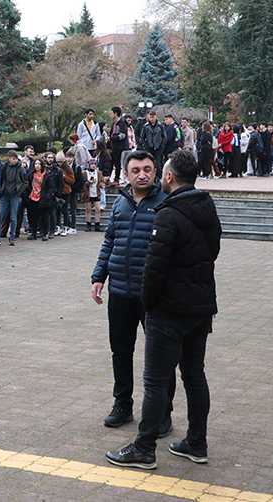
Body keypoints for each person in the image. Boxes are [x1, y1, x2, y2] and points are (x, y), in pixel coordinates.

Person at [106, 149, 221, 470]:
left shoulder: (167, 213)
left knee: (155, 381)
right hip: (201, 306)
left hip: (169, 310)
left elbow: (154, 268)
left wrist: (150, 304)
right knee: (195, 375)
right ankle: (197, 443)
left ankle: (144, 447)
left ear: (167, 176)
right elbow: (212, 252)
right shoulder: (206, 207)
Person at [92, 150, 174, 434]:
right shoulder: (120, 204)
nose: (142, 174)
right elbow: (109, 241)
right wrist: (99, 275)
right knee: (121, 351)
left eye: (148, 169)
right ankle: (122, 404)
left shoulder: (166, 202)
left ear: (157, 173)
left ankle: (163, 412)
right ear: (126, 174)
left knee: (161, 356)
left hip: (154, 294)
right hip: (121, 291)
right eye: (136, 169)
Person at [138, 111, 166, 177]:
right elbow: (142, 137)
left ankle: (158, 178)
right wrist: (145, 146)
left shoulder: (160, 126)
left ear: (156, 117)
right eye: (150, 117)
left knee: (158, 164)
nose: (151, 119)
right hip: (149, 147)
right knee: (149, 163)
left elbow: (164, 136)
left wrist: (161, 146)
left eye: (153, 117)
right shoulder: (146, 126)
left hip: (158, 147)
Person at [109, 106, 129, 185]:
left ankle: (117, 179)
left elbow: (122, 135)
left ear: (116, 113)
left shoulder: (122, 123)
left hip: (120, 147)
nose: (111, 115)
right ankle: (110, 178)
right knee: (112, 162)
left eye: (112, 113)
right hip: (114, 147)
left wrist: (112, 138)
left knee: (117, 163)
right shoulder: (114, 123)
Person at [82, 158, 104, 231]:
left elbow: (102, 181)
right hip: (88, 193)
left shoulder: (99, 173)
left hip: (96, 193)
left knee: (98, 209)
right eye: (92, 164)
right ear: (89, 165)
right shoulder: (85, 173)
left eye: (94, 164)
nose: (93, 166)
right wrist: (88, 182)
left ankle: (97, 225)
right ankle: (88, 225)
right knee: (88, 209)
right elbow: (82, 184)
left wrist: (102, 184)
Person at [56, 152, 75, 236]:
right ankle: (58, 226)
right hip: (57, 192)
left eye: (61, 162)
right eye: (58, 162)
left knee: (65, 210)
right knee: (57, 210)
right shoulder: (55, 168)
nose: (60, 164)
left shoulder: (68, 169)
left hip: (66, 191)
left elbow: (72, 181)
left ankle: (66, 226)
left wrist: (64, 177)